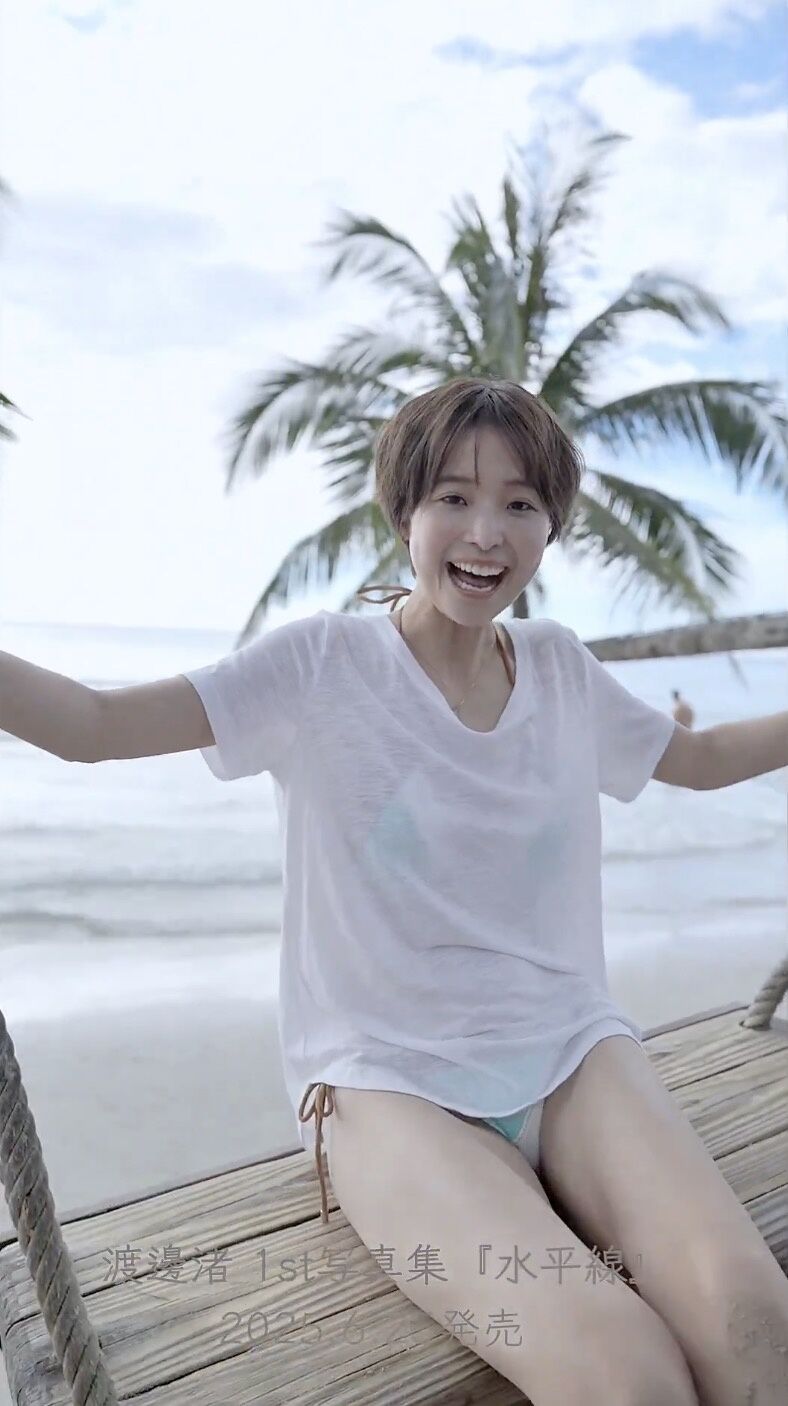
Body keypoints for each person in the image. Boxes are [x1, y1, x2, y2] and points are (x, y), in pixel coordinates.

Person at [3, 376, 787, 1403]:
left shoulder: (559, 666)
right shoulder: (320, 664)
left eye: (519, 503)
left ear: (550, 525)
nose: (485, 532)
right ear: (404, 511)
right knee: (624, 1371)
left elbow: (698, 758)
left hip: (570, 1051)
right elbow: (93, 726)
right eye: (453, 496)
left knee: (755, 1325)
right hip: (384, 1083)